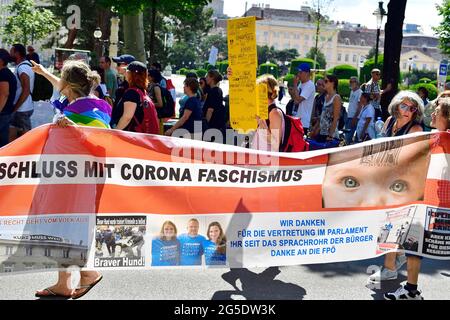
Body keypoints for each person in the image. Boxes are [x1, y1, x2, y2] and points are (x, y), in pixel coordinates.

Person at [31, 59, 109, 299]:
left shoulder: (86, 108)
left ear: (69, 84)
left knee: (62, 221)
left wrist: (72, 126)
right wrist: (44, 73)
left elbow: (99, 135)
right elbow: (62, 88)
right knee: (67, 222)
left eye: (60, 77)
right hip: (66, 173)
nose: (58, 81)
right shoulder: (77, 102)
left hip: (73, 176)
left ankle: (72, 280)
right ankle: (78, 276)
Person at [383, 96, 450, 300]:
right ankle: (411, 290)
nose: (433, 113)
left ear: (446, 117)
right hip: (426, 199)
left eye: (437, 111)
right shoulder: (434, 137)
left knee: (416, 242)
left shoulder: (440, 138)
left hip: (439, 202)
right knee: (415, 242)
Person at [365, 92, 426, 286]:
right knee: (387, 225)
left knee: (389, 226)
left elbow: (410, 159)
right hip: (386, 180)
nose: (408, 111)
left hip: (404, 185)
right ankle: (398, 255)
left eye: (413, 108)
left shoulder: (415, 129)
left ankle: (389, 268)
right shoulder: (390, 121)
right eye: (405, 106)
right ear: (396, 106)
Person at [112, 61, 158, 132]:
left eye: (127, 71)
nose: (125, 74)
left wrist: (115, 131)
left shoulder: (132, 93)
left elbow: (127, 117)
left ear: (131, 74)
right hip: (139, 136)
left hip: (129, 136)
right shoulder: (142, 91)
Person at [250, 75, 283, 152]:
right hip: (259, 158)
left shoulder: (274, 113)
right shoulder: (264, 110)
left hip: (267, 160)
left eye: (258, 90)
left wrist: (264, 129)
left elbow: (276, 144)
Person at [9, 44, 35, 141]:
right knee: (13, 131)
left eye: (11, 51)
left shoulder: (22, 68)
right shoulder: (25, 65)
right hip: (23, 107)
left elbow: (26, 90)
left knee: (25, 138)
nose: (9, 54)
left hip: (22, 109)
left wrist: (15, 108)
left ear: (17, 53)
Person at [312, 74, 341, 143]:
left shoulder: (336, 98)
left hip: (330, 136)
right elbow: (323, 116)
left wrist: (330, 136)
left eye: (326, 81)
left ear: (332, 83)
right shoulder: (326, 97)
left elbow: (335, 119)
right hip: (322, 133)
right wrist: (314, 130)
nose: (323, 83)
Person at [290, 63, 315, 134]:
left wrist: (295, 85)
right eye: (298, 72)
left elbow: (298, 100)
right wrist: (292, 92)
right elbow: (294, 100)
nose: (298, 74)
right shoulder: (301, 84)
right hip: (296, 118)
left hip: (303, 122)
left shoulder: (309, 85)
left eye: (300, 72)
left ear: (307, 73)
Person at [111, 54, 135, 124]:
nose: (116, 67)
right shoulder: (124, 83)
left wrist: (117, 128)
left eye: (119, 64)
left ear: (127, 66)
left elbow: (127, 115)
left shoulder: (132, 86)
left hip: (124, 126)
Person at [0, 49, 17, 148]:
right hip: (5, 111)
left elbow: (4, 94)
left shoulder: (3, 74)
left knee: (2, 141)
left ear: (1, 60)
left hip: (2, 112)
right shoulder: (5, 73)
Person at [203, 70, 226, 138]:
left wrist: (205, 125)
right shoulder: (219, 90)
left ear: (212, 78)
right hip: (218, 124)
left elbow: (210, 110)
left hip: (212, 125)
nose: (206, 78)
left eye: (207, 76)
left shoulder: (212, 91)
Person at [345, 76, 363, 144]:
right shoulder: (352, 91)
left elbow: (359, 106)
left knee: (349, 136)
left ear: (357, 83)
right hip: (349, 116)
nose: (350, 83)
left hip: (354, 117)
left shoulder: (360, 92)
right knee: (347, 136)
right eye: (350, 82)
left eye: (352, 82)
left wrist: (355, 118)